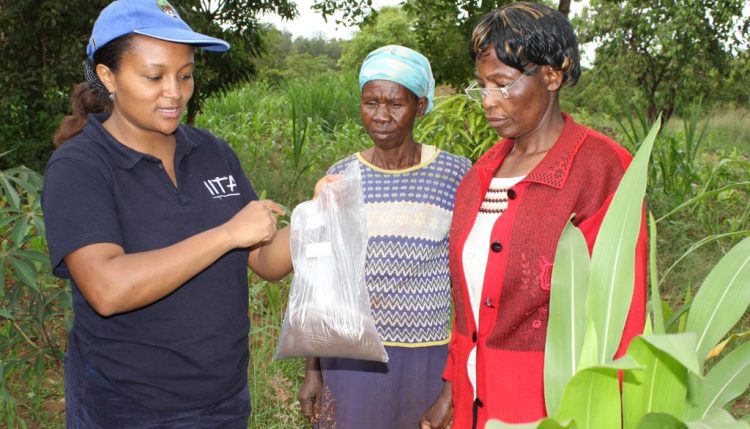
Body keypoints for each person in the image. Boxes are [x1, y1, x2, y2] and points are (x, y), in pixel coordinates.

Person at [41, 0, 292, 427]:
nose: (174, 92)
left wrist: (320, 218)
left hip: (224, 396)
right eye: (154, 76)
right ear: (108, 76)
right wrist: (226, 234)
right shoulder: (81, 167)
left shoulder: (211, 152)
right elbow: (108, 289)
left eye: (185, 75)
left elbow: (265, 261)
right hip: (127, 403)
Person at [420, 3, 647, 428]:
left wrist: (607, 412)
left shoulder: (600, 169)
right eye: (481, 87)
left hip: (554, 409)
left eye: (503, 85)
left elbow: (623, 314)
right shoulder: (479, 178)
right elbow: (467, 312)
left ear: (551, 76)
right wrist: (451, 389)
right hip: (474, 403)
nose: (488, 102)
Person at [297, 45, 472, 429]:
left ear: (421, 106)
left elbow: (471, 279)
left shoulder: (456, 176)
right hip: (350, 355)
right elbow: (323, 279)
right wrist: (313, 369)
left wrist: (459, 375)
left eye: (395, 104)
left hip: (428, 358)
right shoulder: (341, 177)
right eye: (370, 102)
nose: (381, 116)